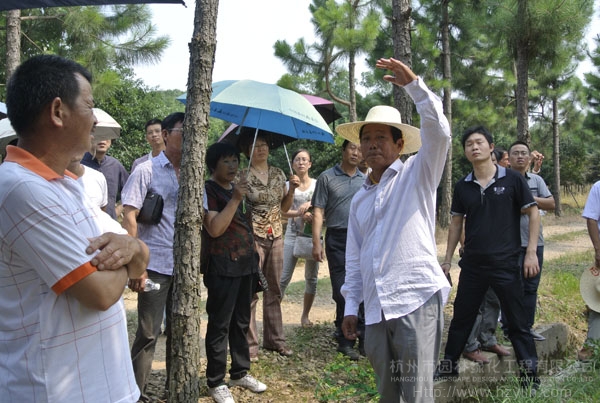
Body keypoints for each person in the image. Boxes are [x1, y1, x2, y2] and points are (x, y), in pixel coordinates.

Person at [0, 54, 149, 402]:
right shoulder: (19, 188)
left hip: (101, 386)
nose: (95, 119)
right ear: (57, 111)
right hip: (53, 390)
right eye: (89, 105)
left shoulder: (67, 184)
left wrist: (134, 251)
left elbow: (136, 254)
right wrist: (132, 253)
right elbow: (99, 292)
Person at [339, 58, 450, 401]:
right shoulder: (359, 200)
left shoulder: (417, 175)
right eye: (367, 138)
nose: (372, 144)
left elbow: (439, 132)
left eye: (381, 138)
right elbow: (355, 257)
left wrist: (414, 86)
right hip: (375, 309)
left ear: (400, 145)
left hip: (413, 299)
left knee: (417, 395)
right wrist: (350, 306)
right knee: (388, 394)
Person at [437, 126, 540, 392]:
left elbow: (533, 213)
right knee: (462, 316)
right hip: (473, 265)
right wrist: (447, 259)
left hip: (507, 263)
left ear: (491, 147)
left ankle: (530, 376)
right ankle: (449, 364)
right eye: (469, 144)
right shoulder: (463, 186)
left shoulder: (513, 181)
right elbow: (456, 223)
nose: (474, 147)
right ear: (465, 151)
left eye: (479, 142)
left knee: (517, 322)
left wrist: (530, 253)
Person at [121, 112, 184, 402]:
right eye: (182, 131)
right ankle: (136, 393)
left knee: (179, 331)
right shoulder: (146, 170)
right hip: (154, 263)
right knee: (147, 333)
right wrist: (137, 265)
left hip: (183, 266)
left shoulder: (193, 172)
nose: (188, 136)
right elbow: (129, 215)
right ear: (167, 134)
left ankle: (177, 389)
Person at [203, 142, 267, 403]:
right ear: (213, 165)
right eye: (226, 161)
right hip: (222, 266)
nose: (232, 166)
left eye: (235, 161)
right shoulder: (209, 190)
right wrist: (236, 199)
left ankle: (240, 372)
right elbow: (215, 228)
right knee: (220, 324)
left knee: (241, 322)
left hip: (245, 265)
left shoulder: (237, 189)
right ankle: (215, 381)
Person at [239, 131, 299, 360]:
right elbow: (239, 207)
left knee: (274, 288)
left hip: (276, 235)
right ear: (248, 150)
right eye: (256, 146)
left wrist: (292, 189)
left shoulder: (278, 173)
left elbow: (284, 209)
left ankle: (275, 340)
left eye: (264, 145)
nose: (261, 149)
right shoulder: (242, 176)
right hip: (253, 235)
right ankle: (250, 345)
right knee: (252, 290)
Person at [311, 140, 365, 360]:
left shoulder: (366, 180)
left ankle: (363, 338)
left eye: (360, 149)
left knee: (363, 290)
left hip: (362, 239)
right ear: (343, 150)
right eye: (352, 147)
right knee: (342, 290)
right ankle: (346, 341)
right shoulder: (326, 177)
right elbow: (318, 211)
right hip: (337, 238)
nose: (356, 152)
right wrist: (317, 242)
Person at [461, 149, 510, 364]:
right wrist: (464, 245)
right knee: (476, 301)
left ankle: (488, 338)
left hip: (498, 256)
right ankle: (469, 344)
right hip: (476, 256)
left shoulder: (505, 186)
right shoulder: (469, 186)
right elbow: (459, 219)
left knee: (493, 298)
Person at [504, 141, 555, 341]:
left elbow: (551, 203)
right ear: (508, 159)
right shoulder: (502, 181)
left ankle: (526, 328)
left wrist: (527, 200)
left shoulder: (536, 180)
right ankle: (510, 329)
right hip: (510, 243)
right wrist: (530, 203)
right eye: (515, 153)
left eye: (524, 153)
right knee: (511, 286)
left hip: (535, 243)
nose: (520, 156)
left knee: (530, 287)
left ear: (529, 157)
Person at [280, 149, 320, 327]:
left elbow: (324, 210)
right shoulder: (287, 185)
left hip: (312, 235)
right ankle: (273, 317)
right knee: (283, 277)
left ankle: (305, 315)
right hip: (292, 234)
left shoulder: (318, 185)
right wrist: (299, 213)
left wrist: (311, 209)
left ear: (310, 164)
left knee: (311, 278)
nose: (301, 162)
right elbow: (281, 212)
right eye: (297, 160)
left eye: (305, 159)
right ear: (293, 164)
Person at [578, 182, 600, 361]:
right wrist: (598, 250)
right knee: (598, 302)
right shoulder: (599, 187)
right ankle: (591, 349)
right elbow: (592, 218)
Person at [81, 137, 129, 219]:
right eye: (99, 135)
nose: (102, 140)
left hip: (110, 223)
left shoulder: (115, 165)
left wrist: (117, 210)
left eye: (106, 136)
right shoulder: (79, 164)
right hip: (84, 222)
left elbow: (130, 190)